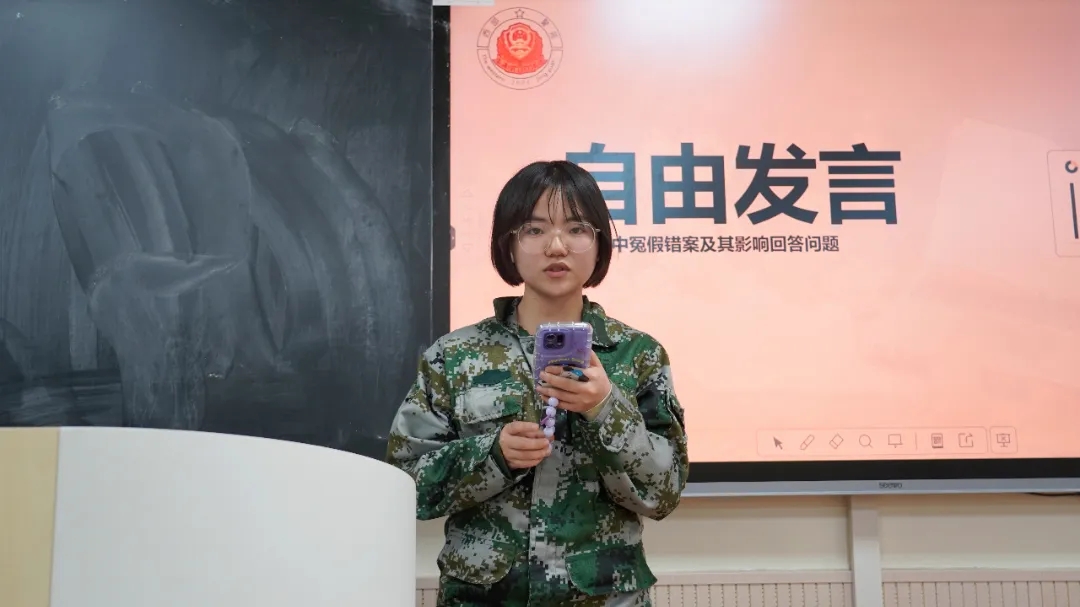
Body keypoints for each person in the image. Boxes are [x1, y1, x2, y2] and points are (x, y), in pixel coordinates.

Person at [386, 160, 688, 606]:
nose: (556, 246)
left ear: (599, 243)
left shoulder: (638, 355)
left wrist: (606, 408)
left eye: (577, 228)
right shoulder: (454, 355)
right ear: (508, 245)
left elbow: (665, 492)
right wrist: (492, 455)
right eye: (534, 229)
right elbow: (404, 485)